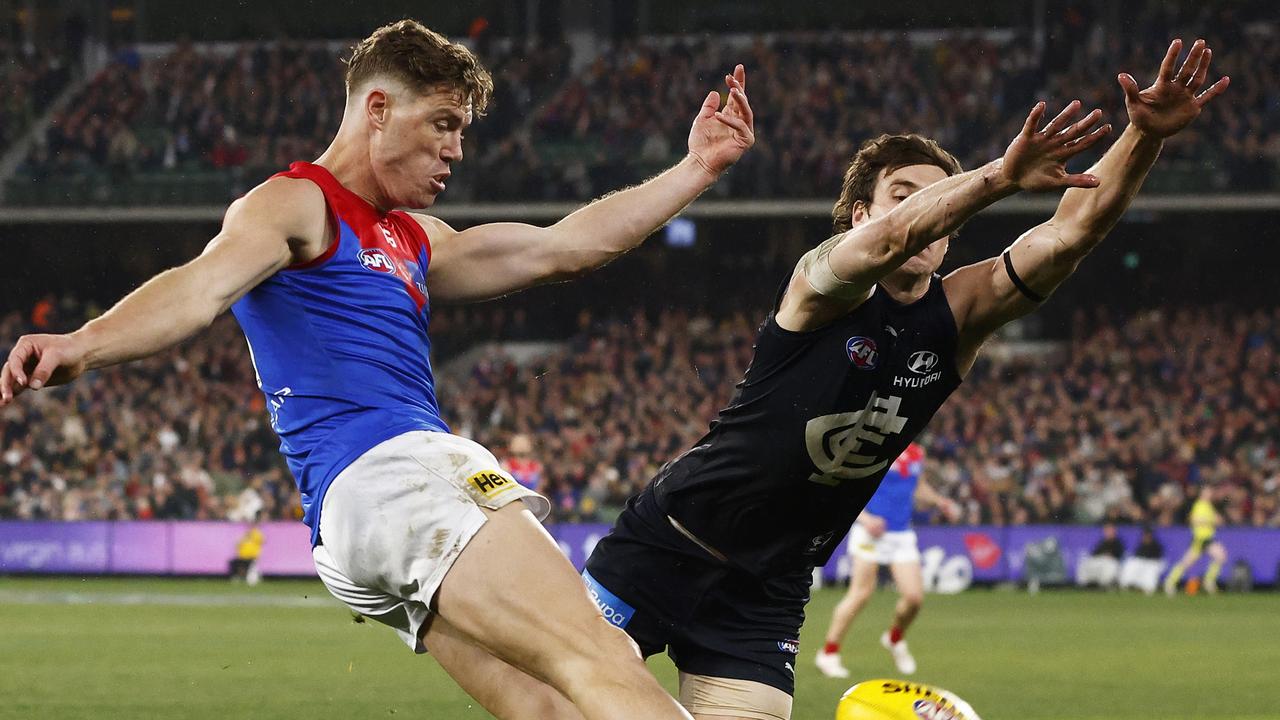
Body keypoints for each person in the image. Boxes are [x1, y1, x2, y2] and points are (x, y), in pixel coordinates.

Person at [0, 19, 755, 720]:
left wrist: (696, 168)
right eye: (443, 124)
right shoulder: (297, 203)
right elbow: (200, 288)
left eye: (460, 129)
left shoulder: (415, 238)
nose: (456, 150)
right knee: (604, 659)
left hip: (351, 531)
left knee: (550, 708)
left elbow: (562, 247)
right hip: (398, 474)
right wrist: (84, 343)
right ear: (380, 109)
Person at [579, 39, 1226, 719]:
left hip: (764, 592)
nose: (922, 215)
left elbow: (1071, 233)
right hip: (666, 543)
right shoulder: (820, 284)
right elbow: (891, 242)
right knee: (552, 707)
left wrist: (1142, 136)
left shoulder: (961, 316)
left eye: (935, 203)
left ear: (950, 235)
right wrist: (999, 177)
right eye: (901, 197)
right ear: (861, 214)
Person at [814, 442, 959, 678]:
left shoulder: (916, 452)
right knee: (861, 594)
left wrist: (939, 501)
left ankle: (894, 639)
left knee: (914, 598)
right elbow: (848, 488)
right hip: (870, 531)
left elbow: (917, 487)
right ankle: (828, 653)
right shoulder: (875, 446)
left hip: (900, 533)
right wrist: (865, 519)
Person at [1163, 484, 1228, 595]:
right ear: (1202, 493)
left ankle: (1209, 581)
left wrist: (1214, 520)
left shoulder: (1209, 506)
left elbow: (1219, 520)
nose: (1210, 494)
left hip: (1208, 538)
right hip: (1200, 538)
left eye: (1210, 492)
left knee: (1221, 556)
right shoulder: (1199, 505)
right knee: (1187, 562)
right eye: (1207, 492)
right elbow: (1193, 520)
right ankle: (1170, 582)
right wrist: (1209, 521)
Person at [1075, 521, 1125, 589]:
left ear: (1114, 531)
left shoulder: (1118, 542)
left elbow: (1119, 554)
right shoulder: (1102, 542)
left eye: (1110, 530)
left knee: (1109, 566)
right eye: (1107, 530)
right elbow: (1094, 554)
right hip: (1100, 560)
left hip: (1111, 562)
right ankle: (1085, 584)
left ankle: (1105, 585)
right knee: (1085, 562)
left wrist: (1109, 555)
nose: (1109, 532)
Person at [1119, 524, 1166, 595]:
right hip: (1141, 563)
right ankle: (1127, 585)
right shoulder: (1141, 545)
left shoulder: (1156, 545)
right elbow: (1137, 556)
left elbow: (1158, 558)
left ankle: (1148, 588)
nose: (1146, 537)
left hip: (1152, 564)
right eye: (1145, 535)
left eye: (1148, 535)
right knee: (1131, 564)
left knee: (1150, 570)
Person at [229, 516, 265, 586]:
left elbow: (261, 541)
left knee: (250, 569)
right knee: (233, 562)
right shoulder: (246, 534)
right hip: (243, 556)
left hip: (252, 557)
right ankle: (237, 577)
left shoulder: (257, 534)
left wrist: (249, 535)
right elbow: (238, 544)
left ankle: (250, 576)